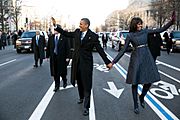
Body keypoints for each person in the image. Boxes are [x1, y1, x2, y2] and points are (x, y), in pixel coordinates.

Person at [110, 12, 175, 114]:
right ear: (134, 25)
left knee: (150, 80)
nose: (140, 25)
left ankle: (142, 96)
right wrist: (113, 62)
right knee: (135, 83)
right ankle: (136, 105)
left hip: (147, 57)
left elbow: (160, 29)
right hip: (136, 58)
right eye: (138, 24)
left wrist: (171, 22)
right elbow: (123, 50)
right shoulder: (130, 35)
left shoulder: (145, 32)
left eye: (141, 23)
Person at [51, 17, 112, 116]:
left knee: (87, 84)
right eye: (79, 24)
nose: (79, 25)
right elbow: (66, 33)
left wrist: (107, 62)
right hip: (76, 63)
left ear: (86, 25)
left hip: (86, 64)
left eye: (81, 24)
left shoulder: (93, 36)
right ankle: (81, 97)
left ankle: (86, 107)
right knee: (79, 81)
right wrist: (55, 26)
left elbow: (100, 50)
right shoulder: (77, 32)